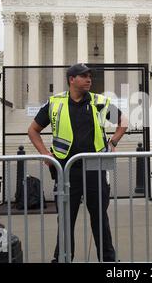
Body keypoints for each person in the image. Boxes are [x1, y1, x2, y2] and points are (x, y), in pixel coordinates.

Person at [28, 63, 128, 262]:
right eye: (83, 76)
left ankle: (108, 260)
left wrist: (113, 141)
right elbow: (33, 130)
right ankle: (62, 258)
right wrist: (45, 154)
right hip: (67, 169)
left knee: (100, 218)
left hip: (95, 167)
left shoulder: (99, 101)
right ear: (71, 79)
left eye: (90, 76)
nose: (89, 79)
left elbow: (123, 121)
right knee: (65, 219)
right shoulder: (55, 103)